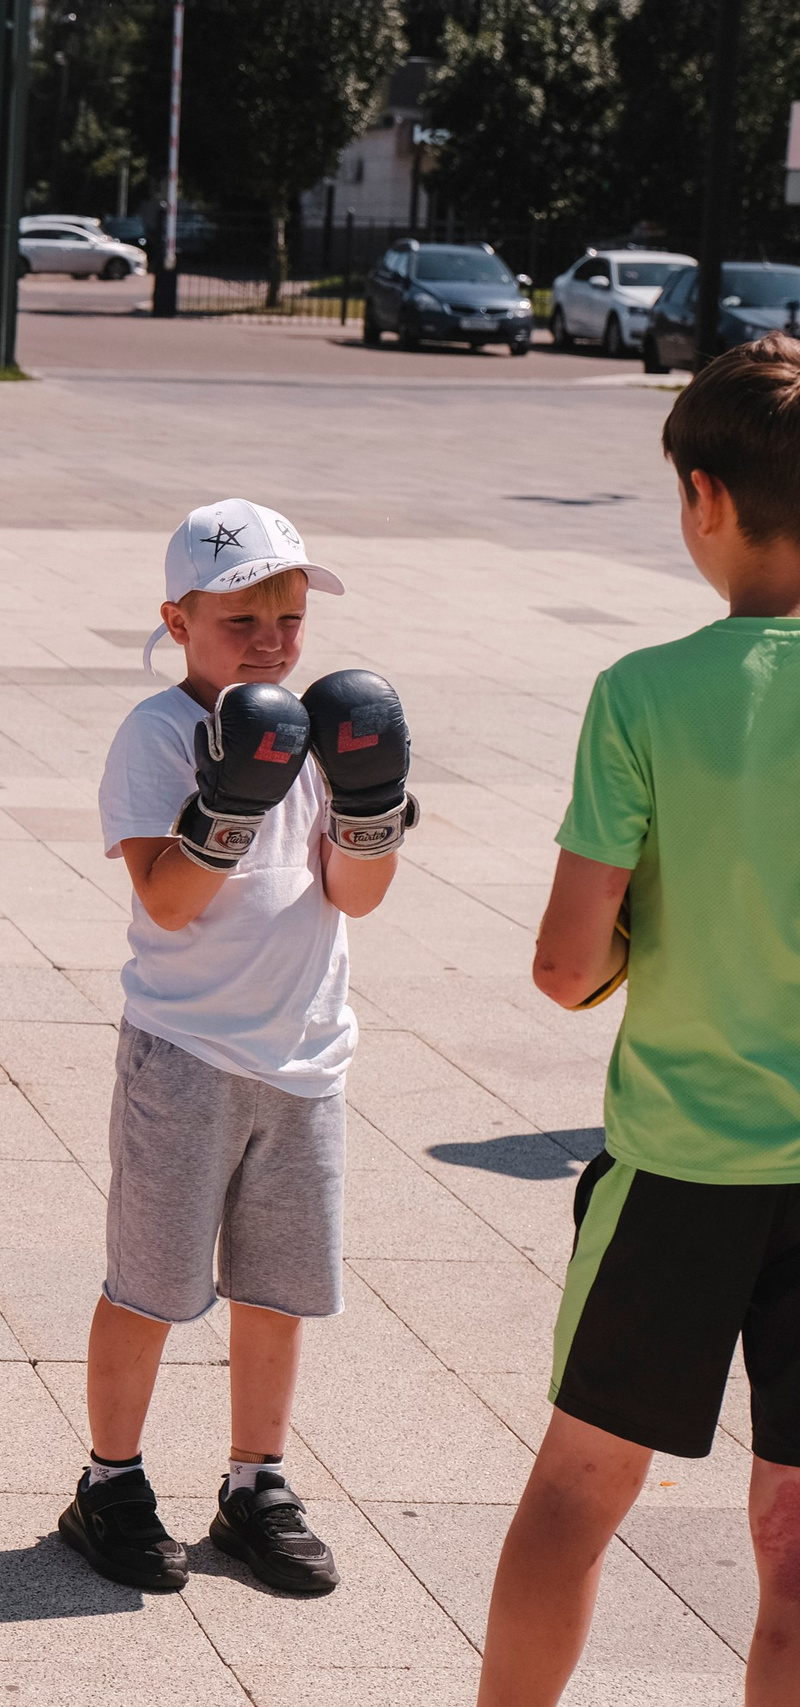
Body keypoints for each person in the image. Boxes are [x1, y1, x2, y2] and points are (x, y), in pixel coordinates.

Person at [477, 337, 800, 1705]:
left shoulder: (644, 693)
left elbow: (564, 966)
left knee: (578, 1490)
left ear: (706, 498)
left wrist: (639, 941)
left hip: (679, 1166)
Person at [64, 499, 411, 1599]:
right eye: (240, 620)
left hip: (304, 1057)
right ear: (177, 620)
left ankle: (255, 1482)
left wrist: (370, 806)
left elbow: (355, 894)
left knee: (276, 1291)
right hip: (184, 1054)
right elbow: (166, 902)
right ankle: (109, 1480)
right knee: (149, 1283)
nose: (270, 641)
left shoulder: (317, 731)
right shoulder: (157, 736)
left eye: (288, 617)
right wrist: (229, 802)